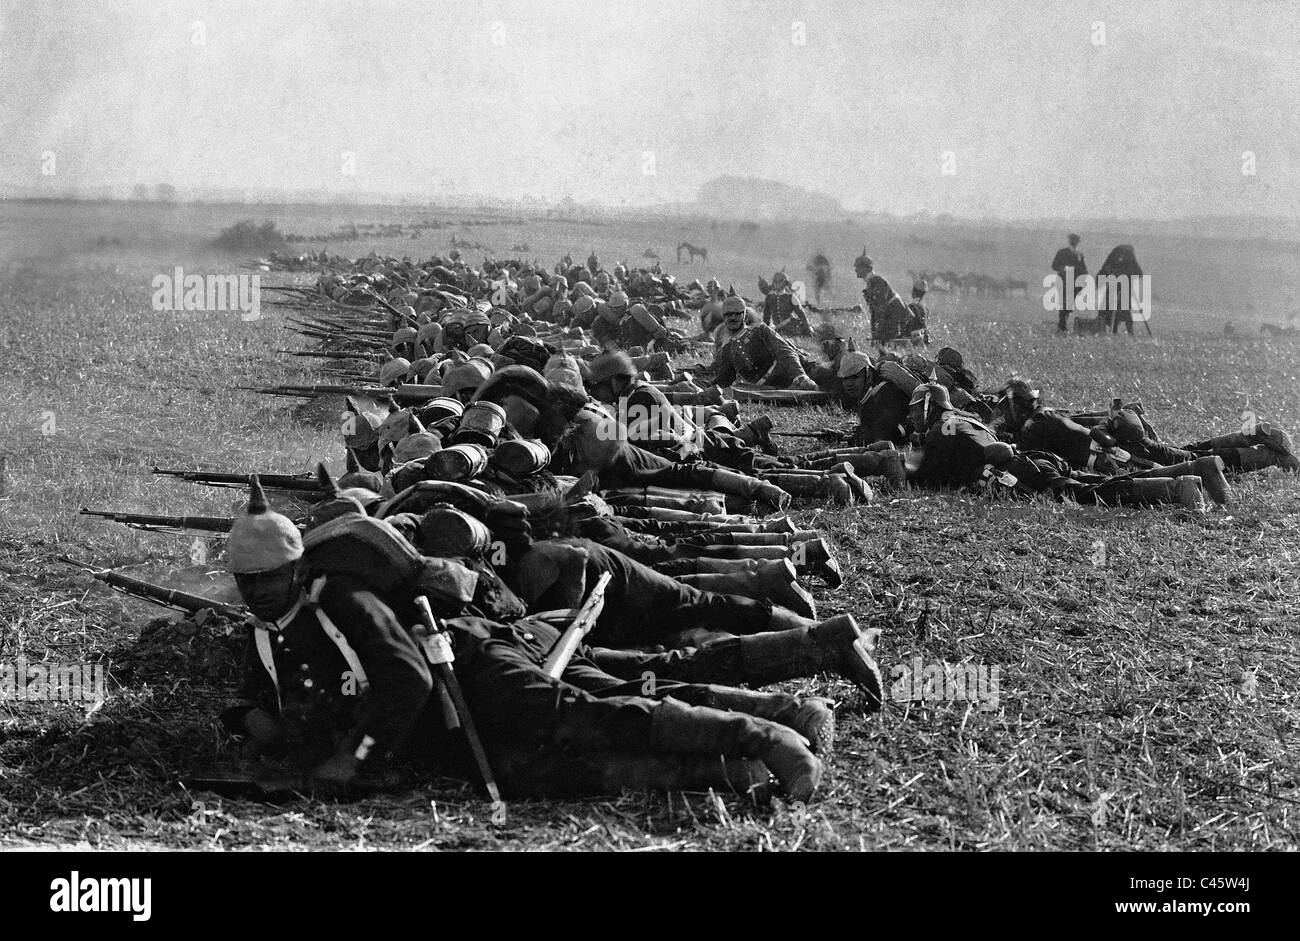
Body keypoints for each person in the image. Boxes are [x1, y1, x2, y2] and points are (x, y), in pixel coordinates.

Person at [708, 296, 820, 391]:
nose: (732, 318)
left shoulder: (760, 329)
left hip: (787, 373)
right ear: (724, 317)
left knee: (827, 377)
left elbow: (784, 351)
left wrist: (800, 376)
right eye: (728, 315)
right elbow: (725, 377)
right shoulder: (727, 347)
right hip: (765, 388)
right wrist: (707, 387)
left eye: (737, 314)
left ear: (744, 315)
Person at [853, 250, 911, 345]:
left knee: (887, 344)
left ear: (866, 268)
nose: (855, 270)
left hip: (895, 317)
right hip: (892, 317)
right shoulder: (872, 283)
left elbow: (880, 308)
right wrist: (875, 332)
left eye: (858, 267)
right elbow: (875, 311)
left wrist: (878, 332)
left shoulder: (877, 282)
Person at [1095, 244, 1142, 335]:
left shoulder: (1121, 256)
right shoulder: (1124, 256)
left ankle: (1124, 331)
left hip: (1122, 288)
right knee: (1116, 309)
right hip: (1116, 287)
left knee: (1122, 310)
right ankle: (1122, 331)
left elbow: (1138, 273)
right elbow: (1105, 270)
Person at [1051, 234, 1087, 334]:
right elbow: (1054, 265)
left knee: (1069, 305)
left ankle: (1062, 325)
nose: (1074, 242)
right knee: (1064, 303)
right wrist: (1064, 268)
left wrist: (1084, 279)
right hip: (1064, 281)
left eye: (1076, 241)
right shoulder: (1062, 252)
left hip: (1076, 283)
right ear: (1070, 241)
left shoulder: (1080, 254)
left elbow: (1083, 269)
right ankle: (1062, 326)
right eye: (1073, 240)